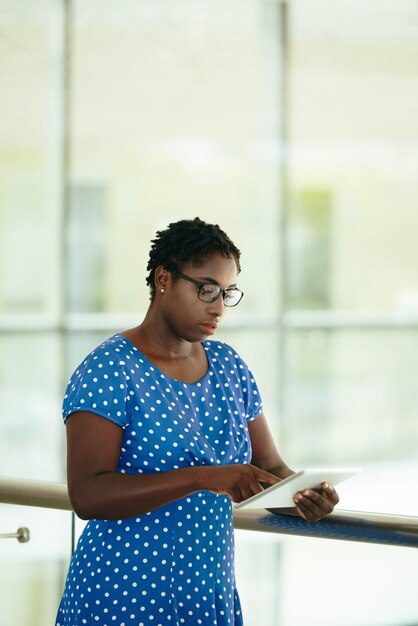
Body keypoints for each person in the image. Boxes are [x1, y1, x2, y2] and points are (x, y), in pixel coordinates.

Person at [55, 217, 339, 626]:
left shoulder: (229, 366)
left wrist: (304, 497)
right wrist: (203, 477)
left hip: (206, 591)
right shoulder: (109, 369)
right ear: (164, 278)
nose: (218, 306)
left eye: (227, 293)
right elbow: (87, 495)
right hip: (121, 595)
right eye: (205, 288)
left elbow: (269, 469)